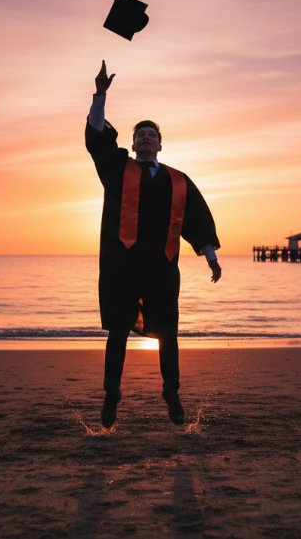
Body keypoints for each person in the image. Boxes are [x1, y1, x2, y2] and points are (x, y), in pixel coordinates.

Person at [85, 60, 222, 428]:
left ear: (160, 143)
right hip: (122, 266)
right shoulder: (117, 169)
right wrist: (100, 95)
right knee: (117, 333)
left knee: (168, 334)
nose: (145, 138)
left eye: (151, 135)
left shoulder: (178, 180)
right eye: (140, 134)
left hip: (162, 268)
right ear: (132, 143)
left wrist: (209, 255)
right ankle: (111, 397)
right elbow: (97, 137)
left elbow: (196, 218)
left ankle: (172, 395)